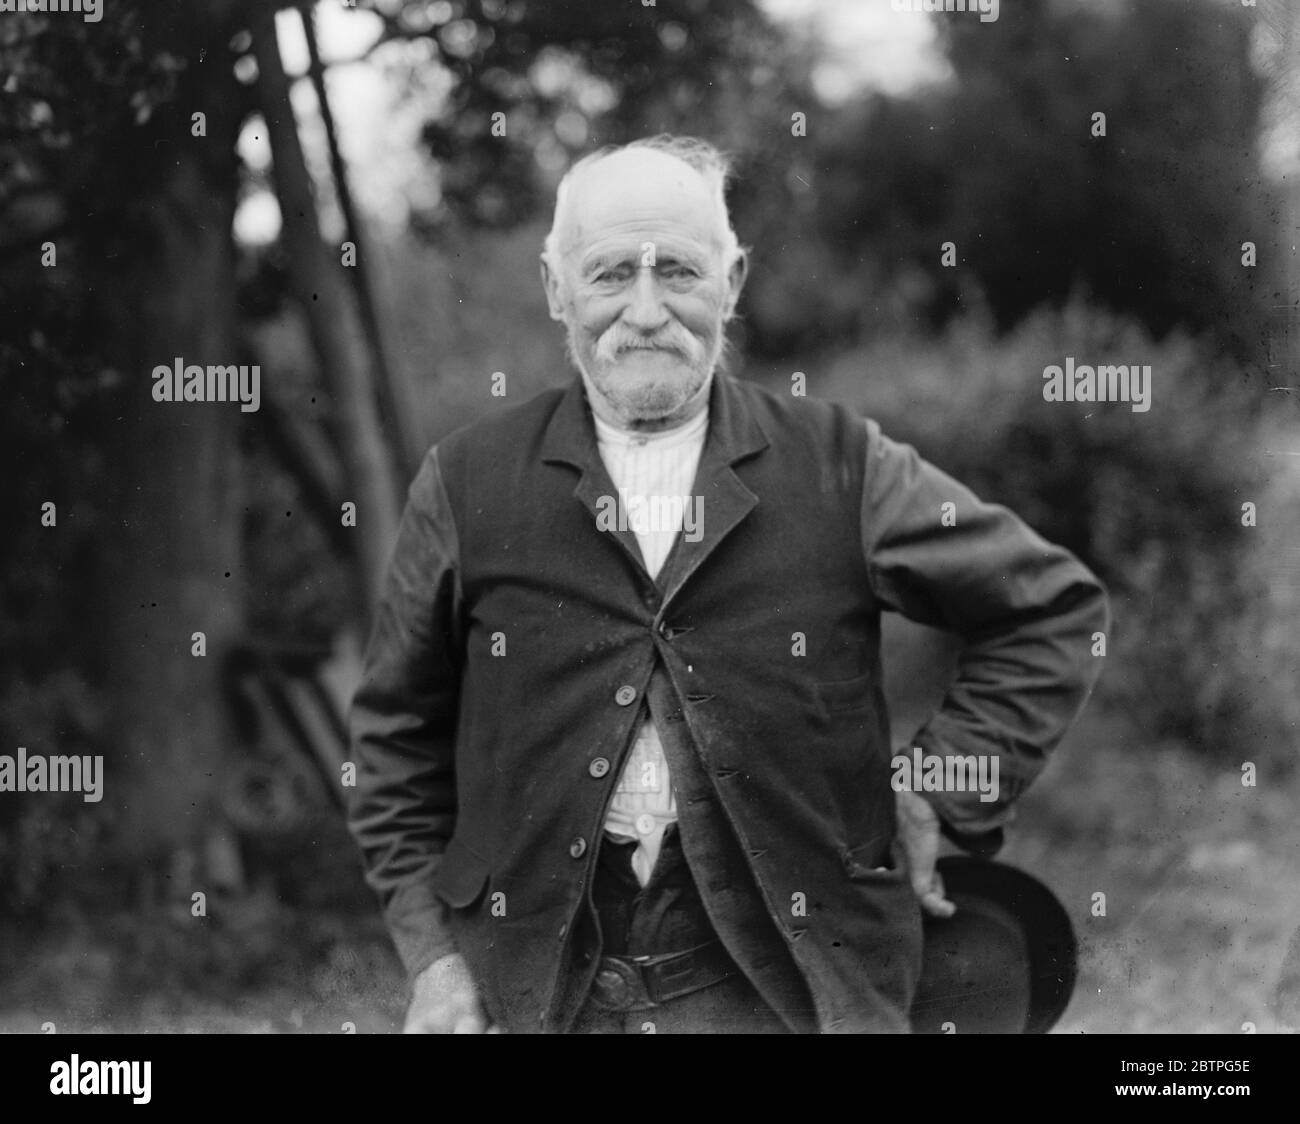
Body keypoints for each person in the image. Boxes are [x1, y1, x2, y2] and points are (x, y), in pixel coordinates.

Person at [346, 135, 1109, 1034]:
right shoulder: (466, 482)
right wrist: (435, 958)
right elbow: (394, 742)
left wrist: (937, 787)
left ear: (732, 281)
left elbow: (1051, 610)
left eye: (678, 271)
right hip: (536, 989)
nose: (644, 311)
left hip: (787, 989)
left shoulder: (842, 465)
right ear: (556, 289)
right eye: (606, 276)